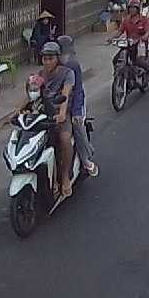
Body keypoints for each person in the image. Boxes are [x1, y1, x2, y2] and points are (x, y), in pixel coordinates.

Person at [36, 41, 77, 197]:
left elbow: (65, 94)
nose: (47, 62)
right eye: (45, 59)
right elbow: (32, 94)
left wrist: (62, 113)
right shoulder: (39, 75)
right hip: (44, 114)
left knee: (64, 139)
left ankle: (65, 177)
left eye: (50, 58)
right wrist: (18, 110)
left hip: (60, 114)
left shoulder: (67, 73)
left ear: (57, 59)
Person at [57, 35, 97, 178]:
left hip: (75, 102)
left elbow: (78, 89)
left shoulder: (72, 64)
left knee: (77, 125)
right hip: (58, 103)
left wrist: (76, 112)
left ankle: (86, 158)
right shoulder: (54, 64)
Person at [119, 0, 149, 74]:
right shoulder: (126, 20)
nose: (132, 10)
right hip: (129, 44)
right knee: (117, 59)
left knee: (138, 60)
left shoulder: (144, 19)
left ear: (138, 9)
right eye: (130, 8)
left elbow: (147, 32)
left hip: (141, 44)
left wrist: (142, 38)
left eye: (134, 8)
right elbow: (120, 31)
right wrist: (111, 38)